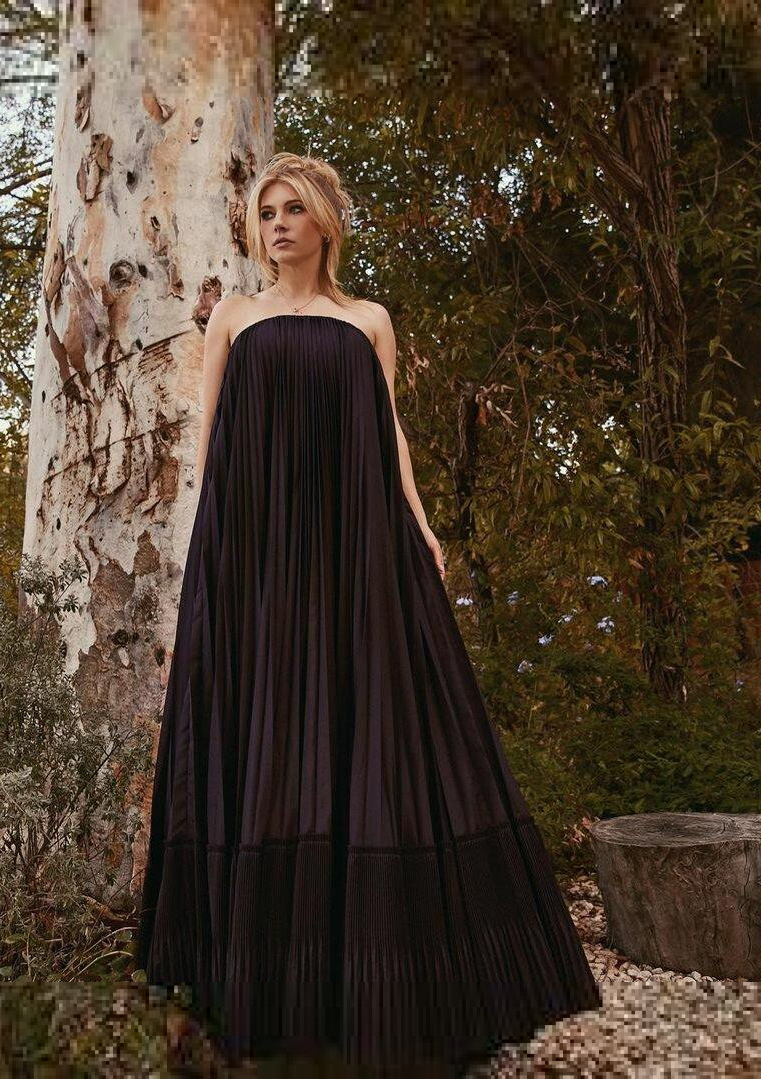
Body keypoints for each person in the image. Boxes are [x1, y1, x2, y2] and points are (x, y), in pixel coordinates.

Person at [134, 152, 601, 1076]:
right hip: (257, 549)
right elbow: (213, 440)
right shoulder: (234, 317)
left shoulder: (368, 321)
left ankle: (387, 982)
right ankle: (264, 981)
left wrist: (420, 526)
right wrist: (213, 555)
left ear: (325, 223)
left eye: (292, 210)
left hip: (353, 546)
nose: (276, 224)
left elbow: (388, 436)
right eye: (267, 211)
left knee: (373, 722)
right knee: (266, 726)